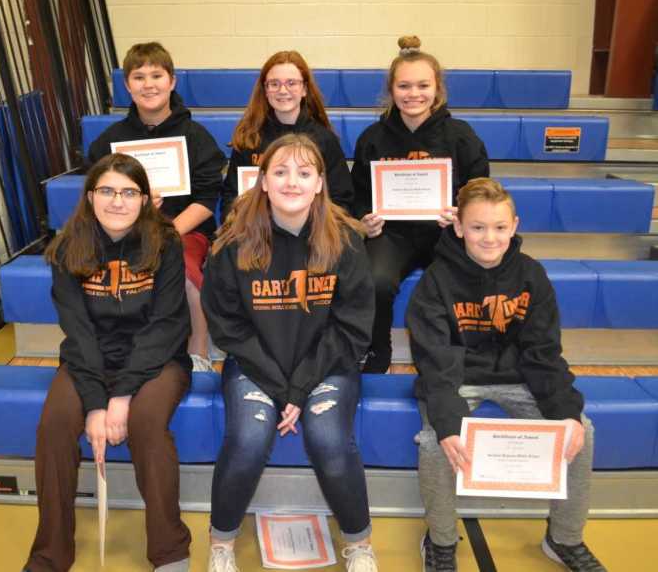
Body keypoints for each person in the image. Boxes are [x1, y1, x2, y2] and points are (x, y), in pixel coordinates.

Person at [407, 178, 605, 572]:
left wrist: (565, 410)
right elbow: (435, 360)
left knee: (581, 429)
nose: (489, 238)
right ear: (459, 227)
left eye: (499, 227)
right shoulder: (436, 282)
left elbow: (543, 352)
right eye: (478, 227)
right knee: (434, 443)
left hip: (519, 378)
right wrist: (448, 423)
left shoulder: (532, 275)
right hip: (459, 377)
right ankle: (442, 540)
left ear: (514, 225)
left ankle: (563, 538)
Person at [202, 134, 378, 572]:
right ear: (262, 181)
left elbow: (351, 330)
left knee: (328, 437)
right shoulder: (233, 242)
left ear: (320, 182)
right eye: (280, 172)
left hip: (326, 366)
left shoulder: (348, 242)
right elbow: (229, 328)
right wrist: (280, 385)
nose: (292, 182)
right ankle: (221, 542)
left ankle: (358, 544)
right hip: (255, 363)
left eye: (304, 173)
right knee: (247, 439)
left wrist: (298, 388)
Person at [24, 154, 192, 572]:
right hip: (90, 359)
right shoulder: (67, 246)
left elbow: (167, 325)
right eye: (107, 191)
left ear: (144, 199)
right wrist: (96, 402)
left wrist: (122, 396)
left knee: (146, 423)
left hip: (157, 361)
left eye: (128, 192)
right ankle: (50, 555)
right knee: (55, 425)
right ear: (90, 196)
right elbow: (77, 331)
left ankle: (169, 552)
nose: (117, 201)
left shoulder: (166, 242)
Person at [351, 35, 489, 373]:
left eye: (423, 85)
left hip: (444, 232)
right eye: (404, 86)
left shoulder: (460, 135)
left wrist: (462, 215)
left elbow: (481, 188)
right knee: (375, 279)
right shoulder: (373, 137)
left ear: (437, 88)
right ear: (391, 90)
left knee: (464, 277)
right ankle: (375, 351)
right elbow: (357, 195)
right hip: (392, 234)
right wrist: (363, 221)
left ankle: (461, 355)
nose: (414, 94)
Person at [88, 41, 225, 372]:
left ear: (172, 81)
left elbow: (207, 200)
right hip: (122, 231)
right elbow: (95, 197)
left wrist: (166, 231)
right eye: (138, 76)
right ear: (127, 86)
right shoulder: (108, 142)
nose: (148, 84)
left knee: (187, 272)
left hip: (182, 230)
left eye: (156, 75)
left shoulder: (196, 136)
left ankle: (199, 351)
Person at [220, 50, 353, 220]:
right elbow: (232, 197)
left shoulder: (325, 140)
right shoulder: (250, 139)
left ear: (304, 89)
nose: (282, 90)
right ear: (265, 90)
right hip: (258, 233)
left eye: (291, 83)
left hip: (311, 234)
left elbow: (341, 200)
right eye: (274, 84)